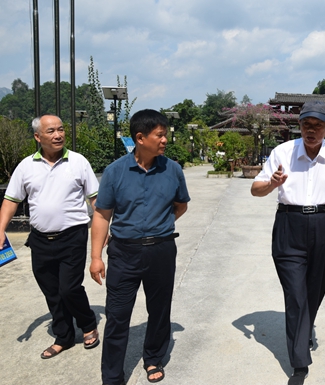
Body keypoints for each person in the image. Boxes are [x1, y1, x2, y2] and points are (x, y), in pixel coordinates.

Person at [251, 100, 325, 385]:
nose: (311, 131)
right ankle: (299, 363)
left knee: (316, 286)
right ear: (299, 126)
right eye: (306, 125)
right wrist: (272, 183)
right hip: (290, 224)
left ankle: (305, 327)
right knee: (296, 293)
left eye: (317, 126)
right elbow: (255, 189)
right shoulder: (282, 152)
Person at [89, 109, 190, 385]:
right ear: (140, 138)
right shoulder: (115, 171)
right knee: (117, 315)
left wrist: (159, 224)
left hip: (161, 251)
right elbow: (102, 215)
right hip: (124, 253)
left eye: (165, 134)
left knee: (159, 309)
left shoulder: (173, 170)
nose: (165, 140)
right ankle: (112, 376)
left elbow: (181, 205)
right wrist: (95, 257)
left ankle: (153, 357)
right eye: (160, 135)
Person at [0, 114, 100, 359]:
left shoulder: (78, 162)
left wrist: (104, 229)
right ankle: (63, 337)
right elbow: (11, 200)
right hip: (40, 240)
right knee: (51, 291)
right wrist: (0, 229)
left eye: (61, 129)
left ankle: (88, 324)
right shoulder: (26, 166)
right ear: (38, 136)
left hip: (73, 236)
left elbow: (95, 199)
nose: (58, 135)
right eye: (51, 131)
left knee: (69, 288)